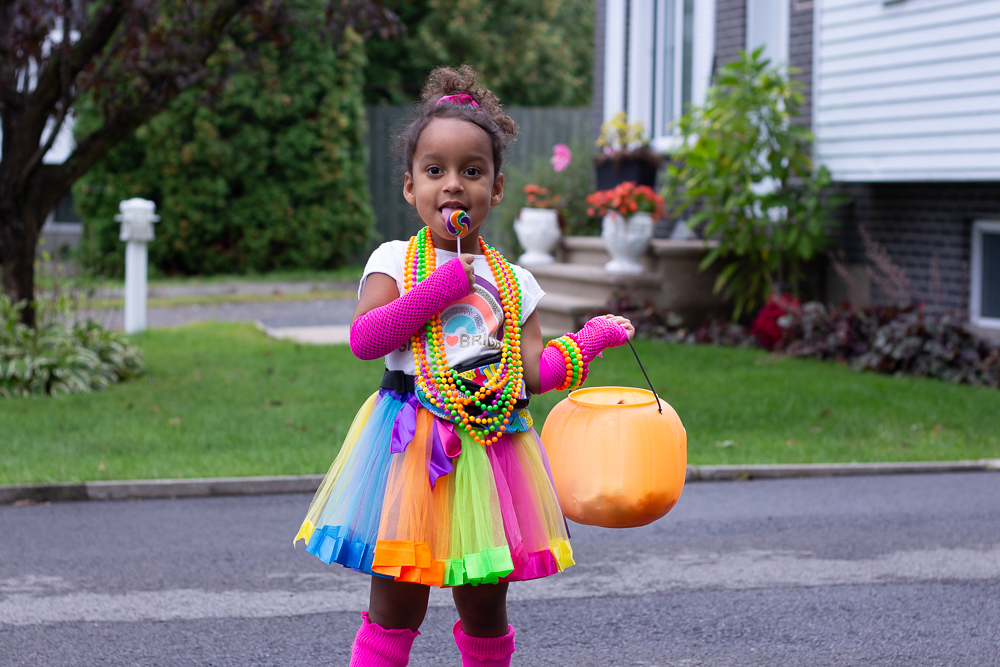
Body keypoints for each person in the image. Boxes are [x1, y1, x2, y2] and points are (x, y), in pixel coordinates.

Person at [294, 65, 635, 667]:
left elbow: (529, 371)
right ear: (410, 187)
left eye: (472, 172)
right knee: (397, 604)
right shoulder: (396, 260)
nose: (453, 186)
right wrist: (439, 288)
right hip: (408, 453)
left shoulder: (517, 283)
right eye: (436, 171)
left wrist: (586, 343)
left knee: (484, 607)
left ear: (496, 189)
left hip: (492, 451)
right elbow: (366, 338)